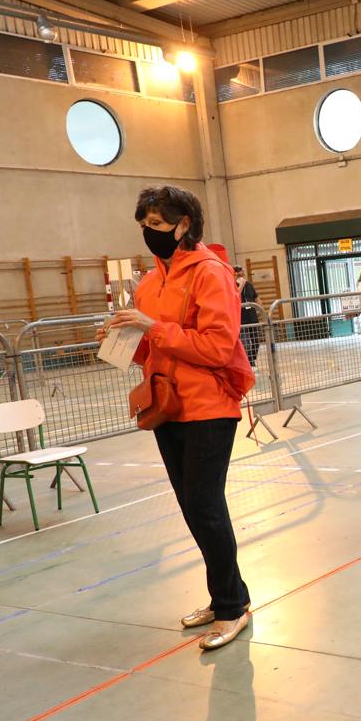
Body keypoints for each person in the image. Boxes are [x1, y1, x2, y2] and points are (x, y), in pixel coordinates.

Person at [102, 186, 256, 652]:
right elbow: (152, 351)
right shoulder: (150, 283)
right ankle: (228, 593)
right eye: (144, 224)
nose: (148, 232)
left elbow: (217, 347)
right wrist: (124, 339)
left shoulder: (211, 272)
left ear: (183, 224)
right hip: (165, 405)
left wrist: (154, 328)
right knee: (192, 507)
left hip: (208, 405)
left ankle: (231, 608)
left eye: (156, 223)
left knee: (206, 506)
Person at [234, 265, 262, 366]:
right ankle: (248, 362)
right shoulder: (232, 285)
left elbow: (257, 298)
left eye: (242, 271)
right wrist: (241, 284)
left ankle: (251, 359)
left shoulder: (249, 285)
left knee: (256, 341)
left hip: (252, 316)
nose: (241, 273)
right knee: (245, 342)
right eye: (239, 271)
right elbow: (235, 296)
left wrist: (260, 310)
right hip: (241, 317)